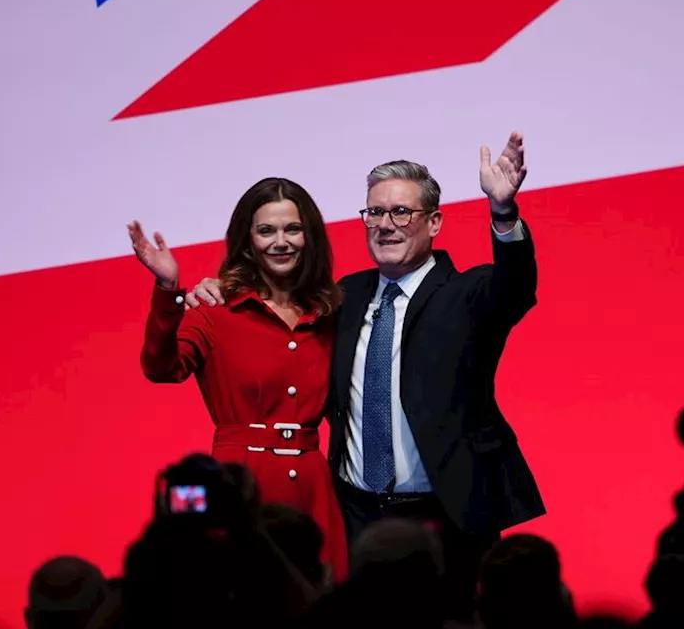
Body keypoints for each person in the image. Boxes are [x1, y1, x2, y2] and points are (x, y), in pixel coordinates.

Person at [186, 133, 544, 619]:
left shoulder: (468, 294)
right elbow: (277, 308)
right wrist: (217, 289)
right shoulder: (342, 298)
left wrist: (503, 214)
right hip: (354, 514)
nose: (386, 225)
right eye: (374, 213)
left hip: (446, 516)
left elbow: (516, 286)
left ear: (435, 222)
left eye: (402, 213)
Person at [128, 176, 349, 582]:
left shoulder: (329, 313)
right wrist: (168, 289)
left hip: (315, 486)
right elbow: (162, 369)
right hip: (242, 485)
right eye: (266, 230)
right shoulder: (215, 309)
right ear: (247, 240)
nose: (280, 241)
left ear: (310, 236)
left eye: (292, 229)